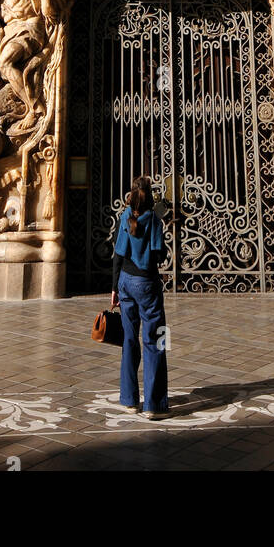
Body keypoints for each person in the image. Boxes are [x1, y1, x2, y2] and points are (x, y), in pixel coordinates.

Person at [111, 175, 169, 420]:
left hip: (125, 281)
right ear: (151, 196)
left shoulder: (125, 217)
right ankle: (154, 404)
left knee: (128, 340)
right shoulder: (154, 220)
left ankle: (129, 400)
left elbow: (118, 253)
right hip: (147, 283)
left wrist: (114, 287)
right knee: (157, 339)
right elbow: (158, 256)